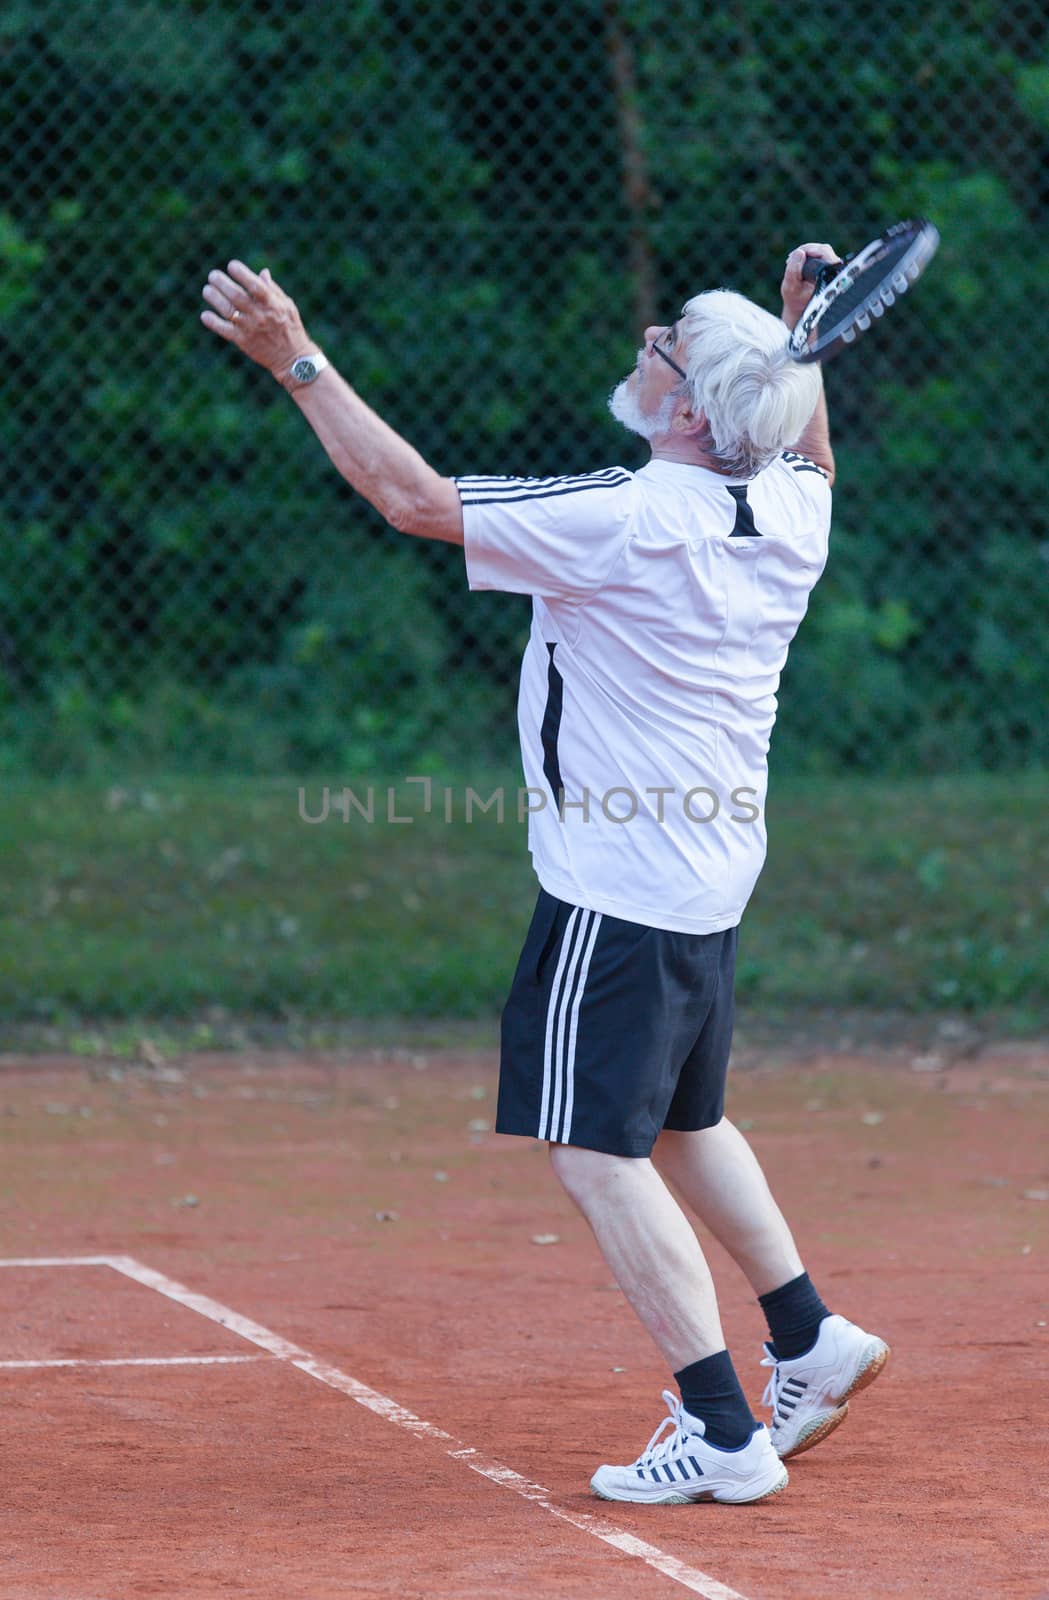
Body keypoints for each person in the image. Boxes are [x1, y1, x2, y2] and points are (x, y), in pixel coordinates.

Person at [200, 243, 889, 1506]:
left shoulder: (623, 519)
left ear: (686, 410)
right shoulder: (791, 507)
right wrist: (803, 338)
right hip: (708, 876)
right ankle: (806, 1339)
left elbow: (407, 496)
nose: (648, 337)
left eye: (668, 342)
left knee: (591, 1150)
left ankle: (723, 1429)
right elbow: (809, 449)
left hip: (616, 894)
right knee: (683, 1120)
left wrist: (291, 359)